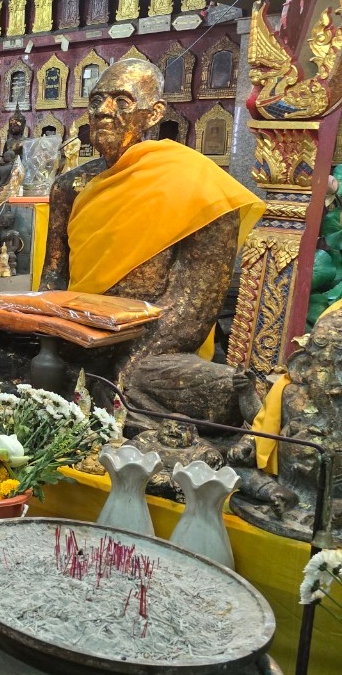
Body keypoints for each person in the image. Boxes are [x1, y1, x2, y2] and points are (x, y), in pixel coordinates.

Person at [41, 59, 264, 417]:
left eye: (121, 101)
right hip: (79, 329)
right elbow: (53, 280)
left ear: (154, 113)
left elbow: (193, 306)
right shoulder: (69, 186)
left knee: (197, 386)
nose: (103, 111)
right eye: (96, 101)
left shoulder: (198, 184)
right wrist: (49, 341)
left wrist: (123, 368)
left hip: (153, 341)